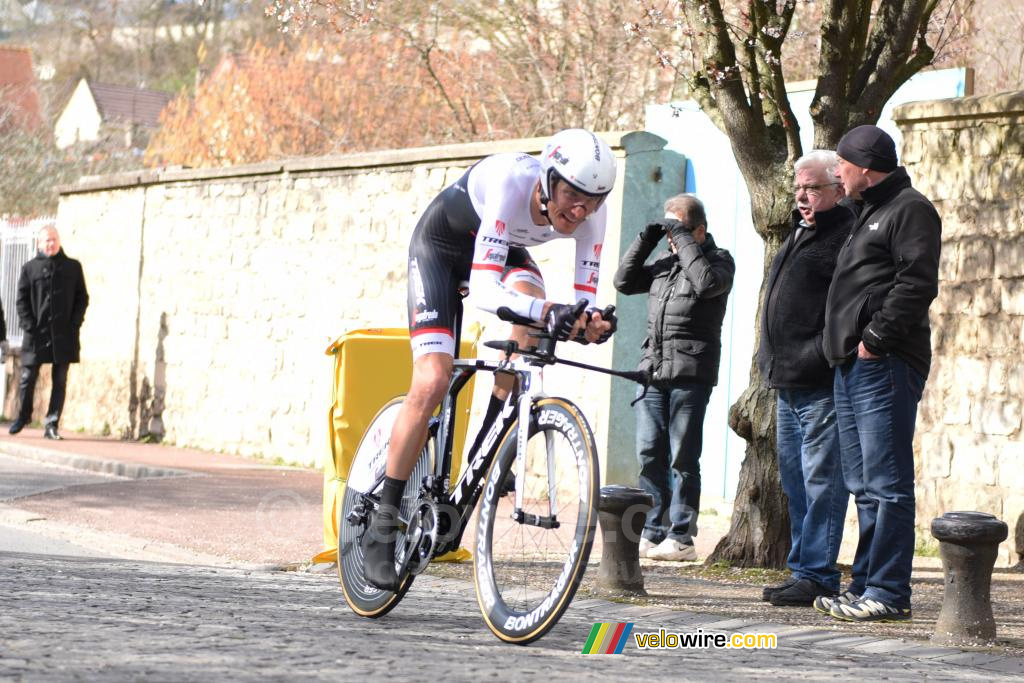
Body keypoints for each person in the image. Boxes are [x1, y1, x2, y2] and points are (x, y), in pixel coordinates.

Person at [363, 129, 618, 590]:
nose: (580, 212)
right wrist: (549, 311)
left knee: (532, 319)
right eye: (572, 197)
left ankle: (485, 449)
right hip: (440, 251)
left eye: (593, 202)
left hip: (501, 253)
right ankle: (382, 525)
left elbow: (585, 297)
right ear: (548, 179)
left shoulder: (589, 215)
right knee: (434, 378)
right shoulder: (510, 182)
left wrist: (591, 323)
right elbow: (484, 290)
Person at [821, 125, 941, 622]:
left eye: (842, 165)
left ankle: (890, 591)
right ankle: (865, 585)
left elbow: (917, 283)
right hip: (850, 364)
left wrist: (875, 339)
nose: (837, 173)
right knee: (864, 483)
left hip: (883, 362)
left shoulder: (909, 208)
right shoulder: (864, 211)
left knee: (887, 482)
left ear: (865, 168)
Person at [613, 194, 735, 562]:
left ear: (699, 230)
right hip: (652, 370)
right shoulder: (665, 263)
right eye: (669, 232)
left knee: (683, 457)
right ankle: (653, 530)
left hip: (690, 373)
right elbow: (623, 281)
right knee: (649, 452)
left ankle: (682, 537)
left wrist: (681, 237)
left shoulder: (719, 261)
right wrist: (646, 238)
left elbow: (706, 284)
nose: (672, 238)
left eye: (679, 230)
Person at [756, 150, 854, 606]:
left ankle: (817, 574)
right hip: (786, 382)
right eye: (798, 187)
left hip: (819, 382)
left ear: (838, 188)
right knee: (796, 484)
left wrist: (818, 352)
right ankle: (803, 570)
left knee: (822, 485)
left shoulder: (845, 234)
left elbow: (847, 309)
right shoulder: (801, 230)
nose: (801, 196)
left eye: (812, 187)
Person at [9, 225, 89, 440]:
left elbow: (82, 298)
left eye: (54, 239)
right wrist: (28, 325)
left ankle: (52, 423)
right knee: (28, 377)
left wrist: (75, 323)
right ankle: (23, 416)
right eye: (46, 240)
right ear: (39, 243)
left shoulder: (73, 267)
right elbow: (21, 300)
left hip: (64, 334)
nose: (51, 243)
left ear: (59, 241)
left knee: (60, 380)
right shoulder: (29, 268)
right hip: (36, 334)